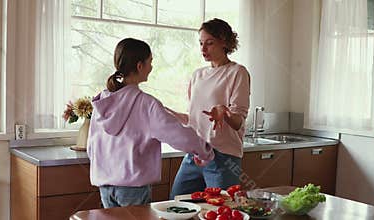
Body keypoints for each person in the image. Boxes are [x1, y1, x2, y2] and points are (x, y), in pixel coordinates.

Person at [87, 38, 215, 208]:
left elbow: (92, 145)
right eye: (150, 62)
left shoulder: (103, 102)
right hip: (134, 189)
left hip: (104, 186)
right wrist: (204, 151)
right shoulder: (146, 104)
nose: (152, 67)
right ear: (140, 66)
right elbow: (179, 135)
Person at [169, 18, 251, 198]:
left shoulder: (237, 72)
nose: (203, 49)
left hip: (223, 157)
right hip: (195, 154)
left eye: (209, 43)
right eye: (200, 44)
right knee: (177, 205)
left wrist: (225, 112)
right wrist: (166, 112)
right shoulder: (197, 75)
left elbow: (238, 122)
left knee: (222, 212)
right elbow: (193, 118)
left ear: (224, 42)